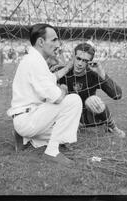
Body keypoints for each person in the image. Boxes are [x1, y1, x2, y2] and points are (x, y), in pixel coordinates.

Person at [7, 23, 83, 166]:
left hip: (27, 117)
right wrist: (64, 89)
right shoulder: (35, 62)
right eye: (54, 40)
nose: (58, 44)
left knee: (61, 132)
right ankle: (52, 152)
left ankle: (23, 137)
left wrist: (67, 67)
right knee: (74, 100)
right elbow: (58, 97)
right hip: (28, 118)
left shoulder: (34, 59)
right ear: (41, 42)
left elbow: (52, 77)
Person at [52, 42, 126, 138]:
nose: (80, 64)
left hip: (88, 116)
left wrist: (101, 72)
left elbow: (117, 95)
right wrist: (66, 69)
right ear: (73, 57)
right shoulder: (63, 70)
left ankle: (113, 128)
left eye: (85, 61)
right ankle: (69, 126)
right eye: (78, 58)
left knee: (92, 100)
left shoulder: (92, 74)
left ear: (89, 62)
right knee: (62, 89)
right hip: (69, 114)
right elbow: (42, 84)